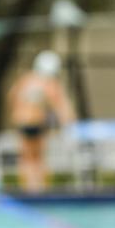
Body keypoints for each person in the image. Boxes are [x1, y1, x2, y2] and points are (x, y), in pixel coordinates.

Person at [7, 50, 76, 192]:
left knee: (26, 157)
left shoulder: (26, 79)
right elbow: (60, 104)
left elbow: (12, 95)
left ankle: (28, 188)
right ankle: (38, 188)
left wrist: (16, 112)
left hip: (22, 121)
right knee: (38, 158)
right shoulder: (49, 83)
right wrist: (69, 122)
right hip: (37, 122)